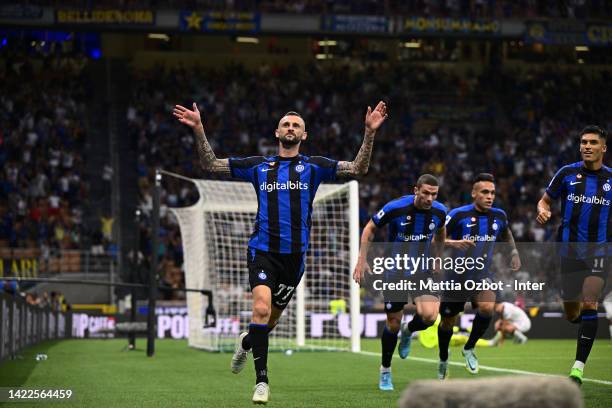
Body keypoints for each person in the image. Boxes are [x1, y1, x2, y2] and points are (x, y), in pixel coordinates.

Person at [174, 101, 387, 403]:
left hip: (294, 258)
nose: (290, 128)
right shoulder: (258, 166)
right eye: (286, 124)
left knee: (268, 323)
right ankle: (262, 382)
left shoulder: (314, 166)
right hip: (263, 251)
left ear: (304, 135)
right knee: (260, 310)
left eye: (296, 125)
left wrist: (369, 133)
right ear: (277, 132)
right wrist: (198, 128)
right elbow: (211, 164)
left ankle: (247, 342)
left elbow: (358, 169)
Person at [353, 174, 446, 391]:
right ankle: (385, 370)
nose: (430, 198)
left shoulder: (440, 211)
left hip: (422, 271)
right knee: (392, 323)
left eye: (434, 194)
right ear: (416, 190)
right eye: (426, 193)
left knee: (430, 316)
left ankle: (409, 330)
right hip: (396, 272)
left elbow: (441, 232)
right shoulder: (396, 208)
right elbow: (369, 228)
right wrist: (361, 259)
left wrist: (438, 258)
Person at [536, 125, 611, 385]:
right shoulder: (566, 173)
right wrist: (543, 209)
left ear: (603, 148)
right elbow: (545, 200)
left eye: (593, 142)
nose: (587, 146)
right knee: (572, 313)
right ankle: (583, 324)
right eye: (583, 142)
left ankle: (577, 369)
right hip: (568, 253)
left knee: (590, 301)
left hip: (600, 252)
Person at [437, 173, 520, 379]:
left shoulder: (499, 215)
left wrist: (514, 252)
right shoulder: (457, 215)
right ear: (474, 193)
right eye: (485, 192)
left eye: (492, 192)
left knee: (487, 306)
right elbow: (435, 239)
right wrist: (452, 243)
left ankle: (469, 348)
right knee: (448, 321)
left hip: (482, 272)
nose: (490, 196)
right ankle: (443, 359)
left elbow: (507, 232)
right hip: (456, 275)